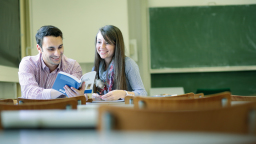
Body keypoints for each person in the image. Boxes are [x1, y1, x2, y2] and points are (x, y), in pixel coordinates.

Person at [18, 25, 86, 99]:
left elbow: (80, 94)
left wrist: (80, 95)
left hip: (61, 110)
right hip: (33, 110)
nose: (57, 54)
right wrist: (64, 89)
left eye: (60, 47)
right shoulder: (28, 63)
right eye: (51, 49)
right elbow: (30, 93)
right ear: (39, 48)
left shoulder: (73, 66)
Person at [92, 25, 147, 101]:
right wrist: (97, 97)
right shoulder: (96, 68)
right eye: (99, 42)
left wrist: (124, 94)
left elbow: (143, 93)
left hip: (126, 110)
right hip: (106, 110)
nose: (102, 46)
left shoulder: (128, 64)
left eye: (107, 42)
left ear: (116, 45)